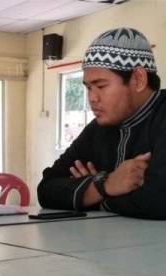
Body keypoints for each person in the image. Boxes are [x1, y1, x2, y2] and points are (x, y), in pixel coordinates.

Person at [37, 27, 166, 219]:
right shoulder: (99, 128)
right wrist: (105, 184)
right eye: (88, 88)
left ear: (138, 79)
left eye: (101, 86)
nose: (92, 98)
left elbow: (157, 202)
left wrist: (91, 195)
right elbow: (46, 190)